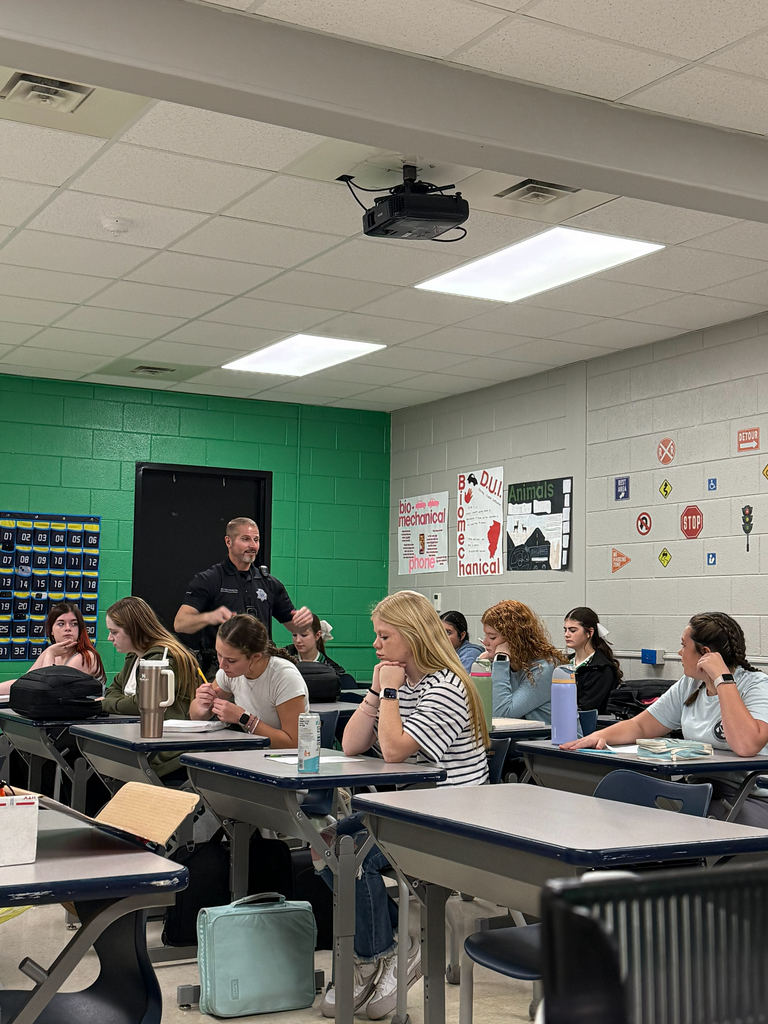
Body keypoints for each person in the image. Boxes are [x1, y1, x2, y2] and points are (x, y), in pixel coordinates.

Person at [320, 591, 489, 1019]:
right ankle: (390, 948)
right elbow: (352, 744)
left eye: (384, 636)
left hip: (454, 818)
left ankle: (376, 956)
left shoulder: (447, 687)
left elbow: (394, 751)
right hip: (410, 809)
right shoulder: (403, 684)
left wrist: (390, 691)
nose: (375, 645)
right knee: (324, 845)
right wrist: (376, 691)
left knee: (352, 855)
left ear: (412, 637)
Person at [562, 612, 768, 826]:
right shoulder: (690, 684)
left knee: (667, 823)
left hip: (749, 796)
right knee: (626, 803)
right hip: (699, 788)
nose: (679, 653)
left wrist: (722, 679)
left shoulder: (756, 685)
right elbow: (641, 726)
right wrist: (597, 737)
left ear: (705, 654)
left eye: (683, 646)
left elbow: (746, 745)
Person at [173, 517, 312, 673]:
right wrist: (209, 617)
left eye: (256, 540)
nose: (253, 545)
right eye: (245, 539)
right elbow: (180, 624)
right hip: (223, 668)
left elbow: (293, 625)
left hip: (260, 667)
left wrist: (303, 622)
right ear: (228, 542)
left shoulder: (269, 583)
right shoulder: (209, 579)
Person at [103, 596, 199, 777]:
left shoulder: (163, 659)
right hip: (140, 740)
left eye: (114, 632)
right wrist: (121, 701)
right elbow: (112, 690)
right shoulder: (134, 656)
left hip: (167, 753)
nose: (109, 638)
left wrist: (103, 704)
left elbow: (143, 704)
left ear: (134, 630)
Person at [190, 614, 309, 747]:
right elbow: (195, 717)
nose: (222, 665)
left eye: (231, 660)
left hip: (284, 757)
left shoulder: (284, 677)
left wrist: (243, 718)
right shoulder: (229, 673)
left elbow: (293, 743)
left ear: (255, 657)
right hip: (252, 753)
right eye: (219, 654)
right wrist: (201, 705)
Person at [482, 600, 566, 724]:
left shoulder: (544, 668)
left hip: (553, 736)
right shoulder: (509, 664)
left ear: (513, 639)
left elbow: (501, 714)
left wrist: (500, 660)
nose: (485, 642)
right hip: (523, 735)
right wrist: (480, 667)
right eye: (485, 635)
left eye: (492, 637)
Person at [0, 601, 105, 696]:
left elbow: (48, 689)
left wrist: (50, 653)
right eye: (61, 624)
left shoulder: (85, 657)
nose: (68, 628)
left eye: (74, 624)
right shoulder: (51, 652)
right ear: (51, 631)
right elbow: (25, 683)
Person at [563, 607, 622, 714]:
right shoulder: (564, 663)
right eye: (565, 630)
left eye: (572, 630)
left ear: (590, 632)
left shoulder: (601, 668)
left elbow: (587, 709)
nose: (567, 634)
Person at [286, 614, 357, 688]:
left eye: (304, 635)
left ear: (317, 635)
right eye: (294, 635)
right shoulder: (283, 661)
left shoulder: (334, 672)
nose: (298, 640)